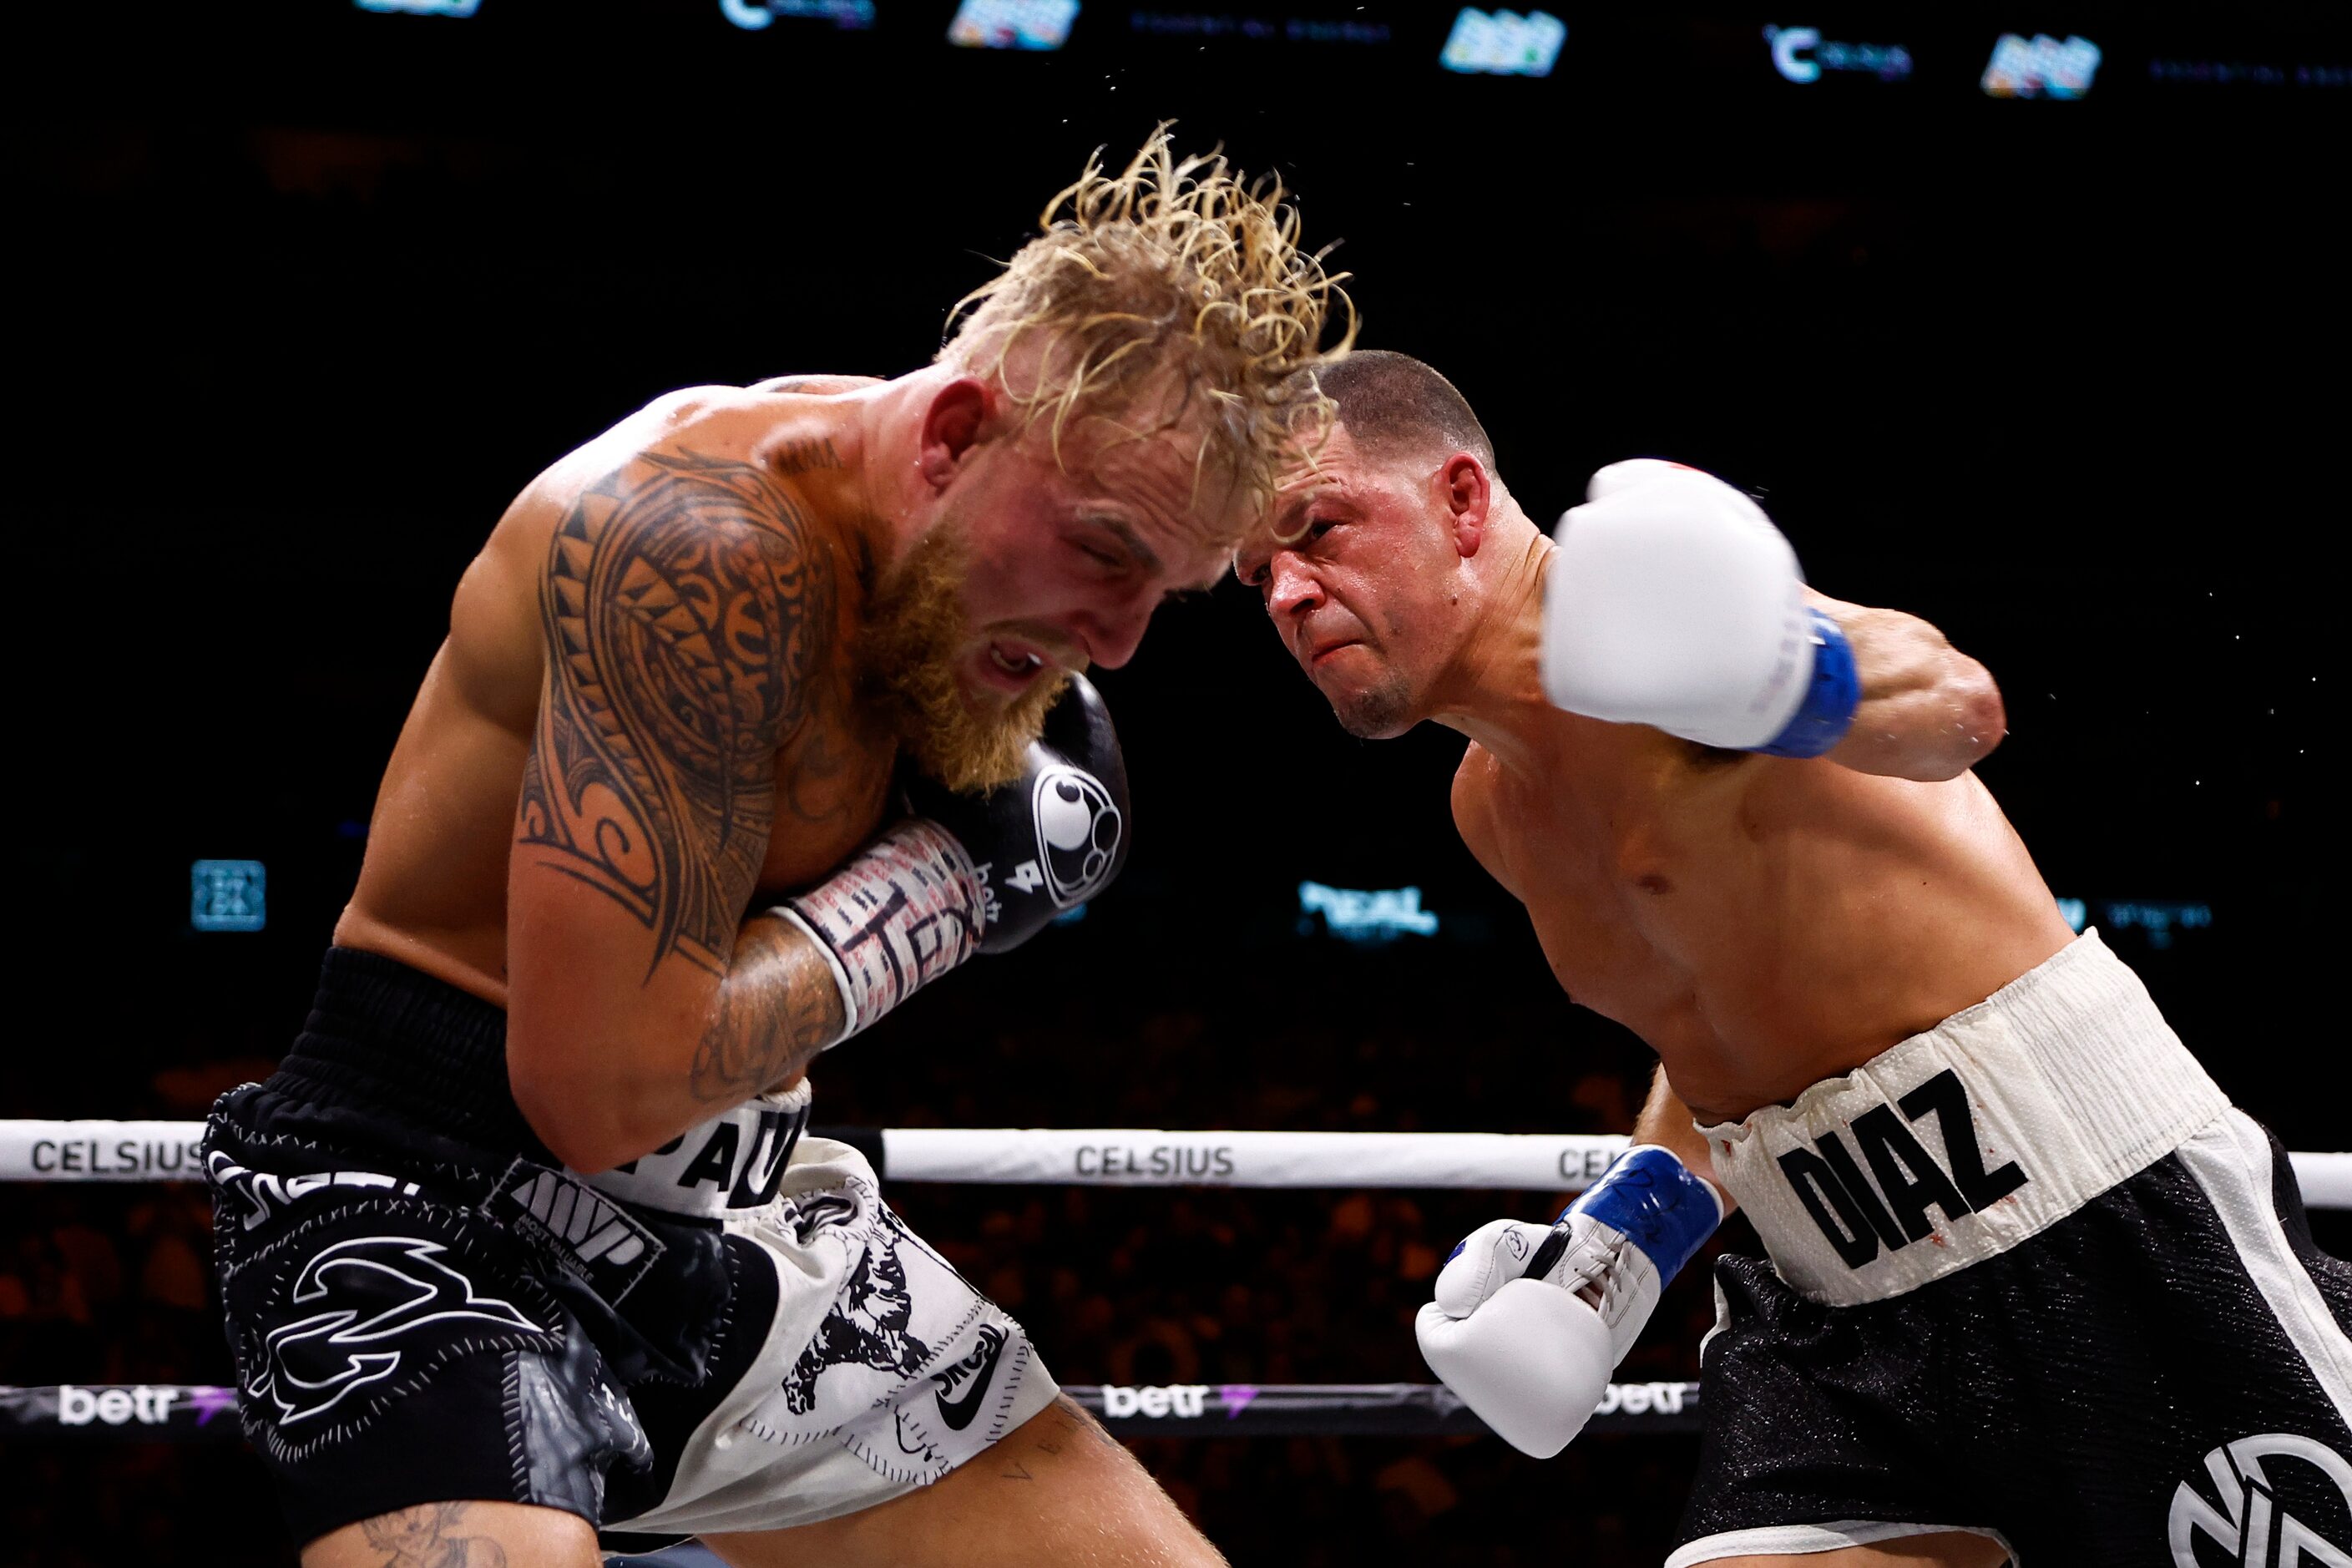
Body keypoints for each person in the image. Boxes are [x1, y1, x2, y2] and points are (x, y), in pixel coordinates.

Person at [201, 131, 1345, 1568]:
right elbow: (596, 1088)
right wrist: (928, 896)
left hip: (738, 1233)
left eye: (1160, 596)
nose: (1114, 641)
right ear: (953, 434)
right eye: (1105, 551)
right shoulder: (695, 552)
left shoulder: (944, 600)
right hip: (427, 1207)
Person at [1237, 350, 2350, 1566]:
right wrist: (1617, 1249)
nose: (1288, 593)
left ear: (1460, 499)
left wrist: (1779, 675)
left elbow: (1953, 702)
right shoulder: (1490, 808)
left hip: (2104, 1229)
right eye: (1258, 574)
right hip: (1832, 1309)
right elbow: (1712, 1034)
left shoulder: (1646, 623)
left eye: (1320, 530)